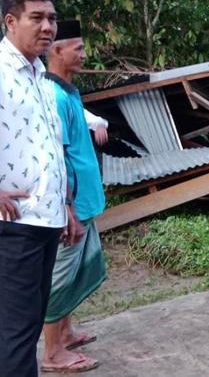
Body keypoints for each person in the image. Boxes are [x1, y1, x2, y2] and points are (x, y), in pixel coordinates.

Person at [0, 0, 82, 377]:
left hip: (46, 219)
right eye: (37, 18)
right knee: (15, 333)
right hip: (13, 225)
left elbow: (52, 146)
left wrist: (65, 205)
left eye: (51, 18)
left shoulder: (40, 77)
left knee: (30, 322)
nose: (48, 27)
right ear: (10, 21)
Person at [40, 20, 107, 373]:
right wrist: (67, 207)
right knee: (60, 276)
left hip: (84, 201)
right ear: (57, 51)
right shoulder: (52, 96)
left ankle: (64, 332)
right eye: (77, 48)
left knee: (75, 271)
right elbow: (58, 157)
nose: (84, 54)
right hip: (71, 206)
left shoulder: (69, 92)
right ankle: (52, 353)